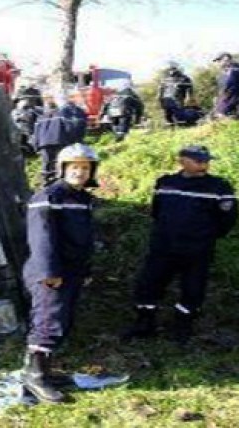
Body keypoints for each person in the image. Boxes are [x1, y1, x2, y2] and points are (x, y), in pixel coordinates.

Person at [123, 145, 237, 344]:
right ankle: (145, 323)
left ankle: (182, 328)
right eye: (198, 160)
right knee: (149, 285)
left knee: (193, 289)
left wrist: (204, 237)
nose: (204, 164)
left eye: (206, 160)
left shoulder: (219, 187)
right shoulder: (165, 183)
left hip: (197, 251)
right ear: (182, 161)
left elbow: (227, 219)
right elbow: (157, 212)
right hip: (163, 247)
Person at [21, 143, 99, 404]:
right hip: (52, 274)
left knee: (62, 322)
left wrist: (84, 270)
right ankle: (35, 377)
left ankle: (44, 370)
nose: (80, 172)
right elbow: (41, 237)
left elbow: (84, 240)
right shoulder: (49, 196)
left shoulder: (83, 199)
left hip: (73, 272)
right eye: (75, 167)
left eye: (85, 167)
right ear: (63, 169)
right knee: (48, 322)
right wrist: (48, 272)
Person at [32, 95, 88, 185]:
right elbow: (68, 128)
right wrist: (73, 141)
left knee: (46, 163)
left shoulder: (41, 117)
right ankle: (60, 182)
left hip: (44, 143)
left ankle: (46, 183)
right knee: (60, 161)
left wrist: (36, 146)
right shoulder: (61, 115)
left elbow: (35, 133)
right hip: (59, 140)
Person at [213, 52, 239, 118]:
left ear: (226, 60)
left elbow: (232, 90)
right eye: (217, 61)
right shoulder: (221, 75)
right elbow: (222, 91)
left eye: (219, 61)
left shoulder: (235, 71)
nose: (217, 63)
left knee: (220, 114)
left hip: (232, 99)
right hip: (227, 99)